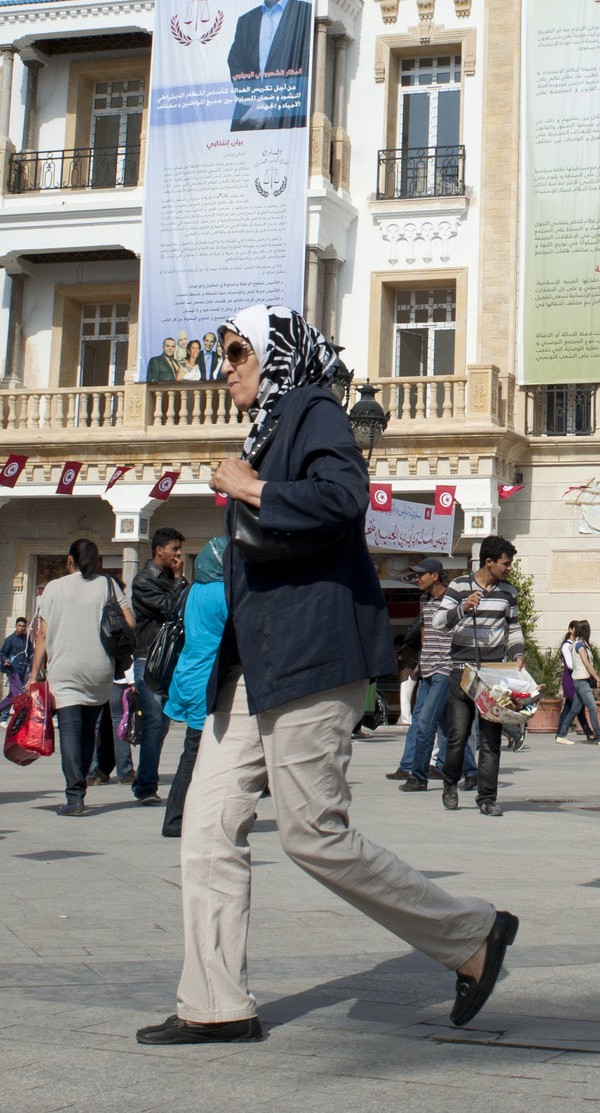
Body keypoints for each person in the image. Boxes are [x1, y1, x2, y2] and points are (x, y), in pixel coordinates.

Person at [143, 304, 513, 1047]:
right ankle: (214, 1004)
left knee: (315, 836)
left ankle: (473, 935)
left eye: (239, 351)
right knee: (208, 828)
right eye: (223, 354)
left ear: (279, 352)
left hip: (310, 658)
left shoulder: (312, 409)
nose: (227, 367)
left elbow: (344, 500)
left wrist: (249, 488)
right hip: (253, 671)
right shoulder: (271, 427)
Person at [32, 538, 126, 816]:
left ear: (69, 560)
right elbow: (129, 622)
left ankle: (75, 797)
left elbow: (42, 635)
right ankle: (80, 788)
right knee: (89, 731)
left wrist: (33, 675)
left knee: (71, 731)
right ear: (97, 561)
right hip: (100, 670)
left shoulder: (53, 588)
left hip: (65, 670)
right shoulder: (108, 585)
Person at [439, 535, 525, 813]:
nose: (509, 568)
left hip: (493, 673)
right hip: (462, 671)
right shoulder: (459, 586)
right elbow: (440, 622)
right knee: (458, 735)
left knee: (490, 739)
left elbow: (513, 628)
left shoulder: (508, 592)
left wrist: (518, 654)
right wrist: (462, 607)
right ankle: (450, 783)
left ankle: (487, 798)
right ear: (489, 562)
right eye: (505, 563)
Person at [160, 538, 228, 837]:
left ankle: (186, 816)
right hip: (207, 681)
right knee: (195, 752)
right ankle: (175, 820)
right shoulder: (224, 593)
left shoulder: (193, 590)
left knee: (197, 750)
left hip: (187, 675)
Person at [130, 527, 189, 805]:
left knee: (162, 725)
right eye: (174, 549)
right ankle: (146, 787)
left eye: (179, 549)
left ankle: (144, 779)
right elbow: (169, 608)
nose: (178, 554)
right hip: (150, 658)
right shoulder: (143, 581)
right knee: (154, 722)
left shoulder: (174, 579)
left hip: (172, 659)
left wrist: (180, 581)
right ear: (159, 550)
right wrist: (178, 581)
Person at [395, 555, 458, 790]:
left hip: (444, 670)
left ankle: (419, 777)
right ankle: (469, 770)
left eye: (421, 574)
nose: (417, 578)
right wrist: (421, 663)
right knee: (447, 726)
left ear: (435, 576)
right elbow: (424, 631)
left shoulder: (452, 601)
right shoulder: (424, 600)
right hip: (428, 669)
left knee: (425, 723)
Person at [227, 0, 309, 130]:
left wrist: (270, 105)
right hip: (248, 116)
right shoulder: (246, 21)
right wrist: (254, 102)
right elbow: (235, 63)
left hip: (288, 116)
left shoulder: (305, 13)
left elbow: (306, 63)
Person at [557, 621, 600, 744]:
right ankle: (598, 736)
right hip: (578, 679)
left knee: (574, 709)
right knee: (591, 707)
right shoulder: (578, 646)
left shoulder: (579, 644)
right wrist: (596, 677)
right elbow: (583, 664)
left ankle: (561, 734)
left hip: (578, 679)